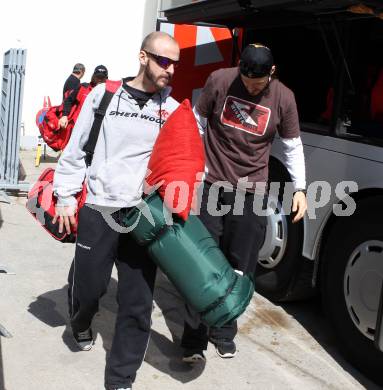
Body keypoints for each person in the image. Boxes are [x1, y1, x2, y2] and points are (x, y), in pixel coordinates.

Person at [52, 32, 180, 390]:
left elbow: (183, 162)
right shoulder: (104, 95)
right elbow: (76, 149)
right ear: (143, 57)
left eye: (176, 64)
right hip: (99, 206)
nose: (170, 69)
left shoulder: (171, 110)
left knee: (138, 303)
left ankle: (121, 378)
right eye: (164, 61)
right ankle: (81, 321)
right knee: (89, 288)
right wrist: (64, 195)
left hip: (143, 215)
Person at [181, 43, 308, 363]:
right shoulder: (220, 80)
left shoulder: (283, 98)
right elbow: (197, 121)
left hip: (251, 192)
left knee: (240, 264)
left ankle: (223, 330)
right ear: (239, 68)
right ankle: (194, 337)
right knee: (203, 262)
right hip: (213, 185)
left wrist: (301, 189)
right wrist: (196, 166)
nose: (251, 87)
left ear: (272, 73)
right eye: (247, 81)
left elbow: (292, 146)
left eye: (257, 84)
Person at [58, 65, 109, 129]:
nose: (99, 80)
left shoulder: (109, 93)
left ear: (106, 79)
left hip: (96, 129)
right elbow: (68, 100)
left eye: (102, 78)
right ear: (93, 76)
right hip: (77, 127)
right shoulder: (83, 87)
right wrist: (64, 115)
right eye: (97, 77)